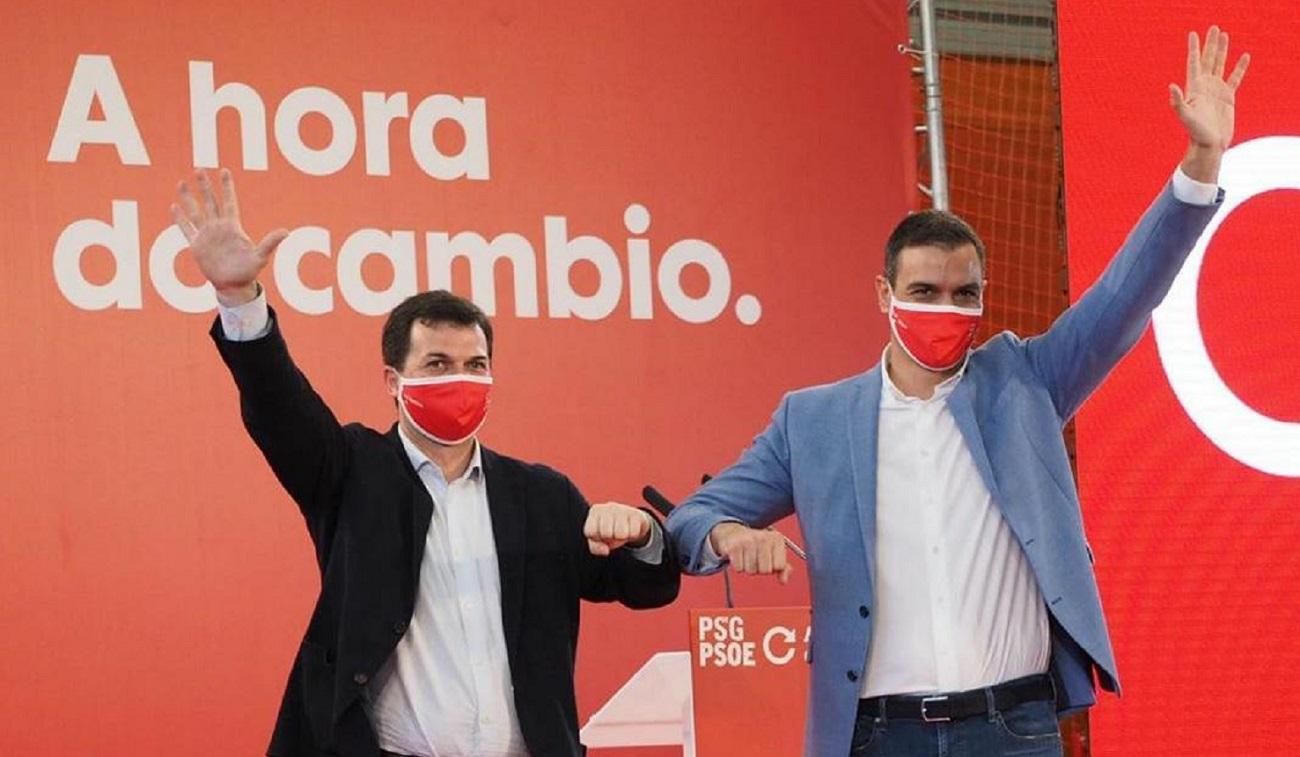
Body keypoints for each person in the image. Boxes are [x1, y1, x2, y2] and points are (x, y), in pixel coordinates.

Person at [664, 26, 1249, 757]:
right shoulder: (812, 420)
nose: (946, 308)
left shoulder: (1028, 381)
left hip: (1016, 728)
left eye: (963, 292)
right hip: (878, 735)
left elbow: (1125, 297)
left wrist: (1201, 163)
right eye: (924, 290)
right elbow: (691, 518)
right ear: (884, 293)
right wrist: (728, 534)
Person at [171, 171, 680, 757]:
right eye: (437, 363)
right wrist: (239, 299)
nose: (459, 379)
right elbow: (279, 404)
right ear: (394, 380)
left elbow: (644, 587)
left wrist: (643, 535)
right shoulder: (350, 472)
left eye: (474, 363)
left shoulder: (542, 497)